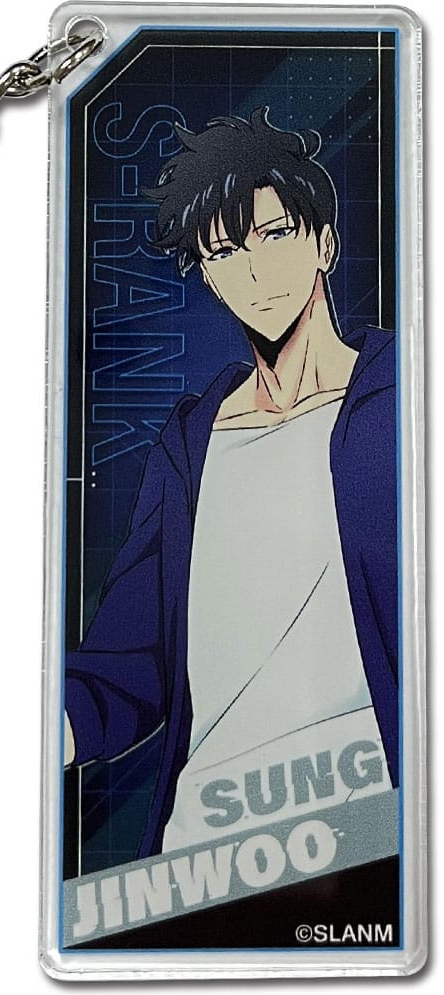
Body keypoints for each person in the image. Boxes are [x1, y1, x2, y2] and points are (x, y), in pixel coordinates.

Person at [63, 107, 398, 858]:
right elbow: (128, 665)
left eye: (274, 235)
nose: (253, 270)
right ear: (208, 276)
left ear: (324, 244)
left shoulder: (405, 402)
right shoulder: (192, 442)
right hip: (204, 856)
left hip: (375, 836)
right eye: (223, 251)